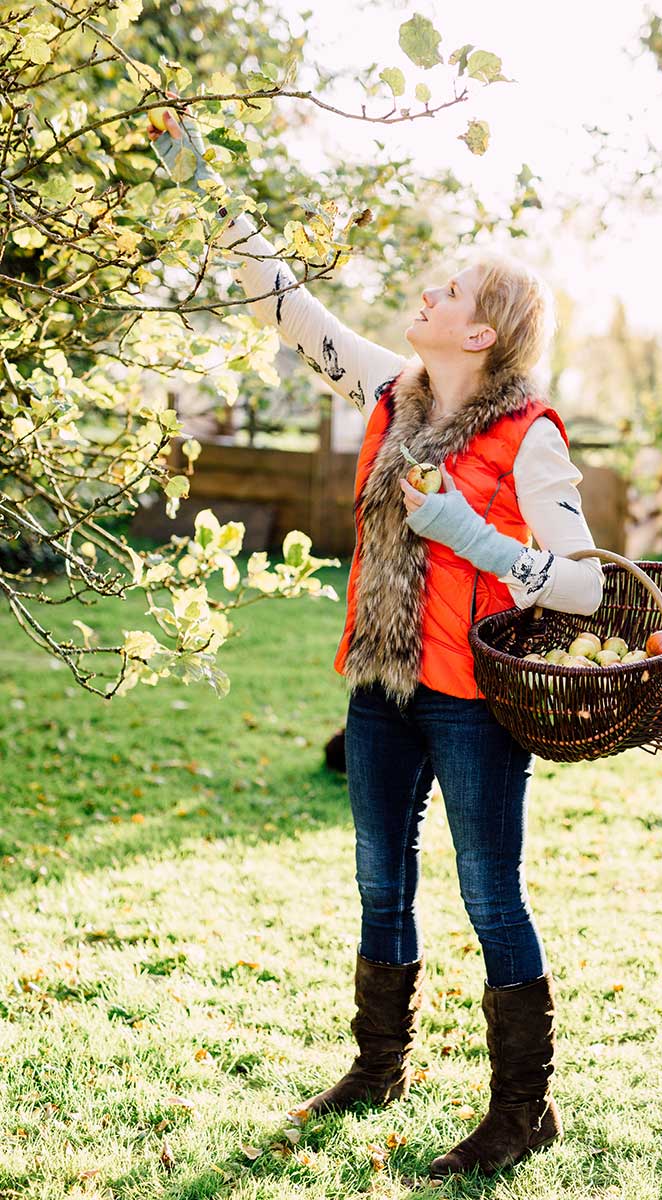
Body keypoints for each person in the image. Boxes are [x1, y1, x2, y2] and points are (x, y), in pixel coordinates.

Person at [149, 105, 605, 1179]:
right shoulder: (387, 393)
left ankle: (523, 1110)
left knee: (492, 893)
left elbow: (583, 585)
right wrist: (198, 177)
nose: (427, 294)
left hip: (475, 698)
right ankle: (379, 1064)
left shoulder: (527, 435)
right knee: (378, 882)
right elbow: (288, 307)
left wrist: (464, 530)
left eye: (447, 290)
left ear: (481, 332)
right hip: (383, 681)